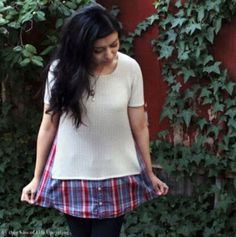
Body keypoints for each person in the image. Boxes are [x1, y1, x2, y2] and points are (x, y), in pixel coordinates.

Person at [21, 3, 169, 237]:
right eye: (99, 50)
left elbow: (139, 125)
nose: (109, 54)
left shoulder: (130, 68)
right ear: (80, 48)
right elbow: (49, 124)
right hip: (71, 175)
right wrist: (36, 178)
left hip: (117, 174)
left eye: (114, 45)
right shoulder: (60, 71)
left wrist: (149, 173)